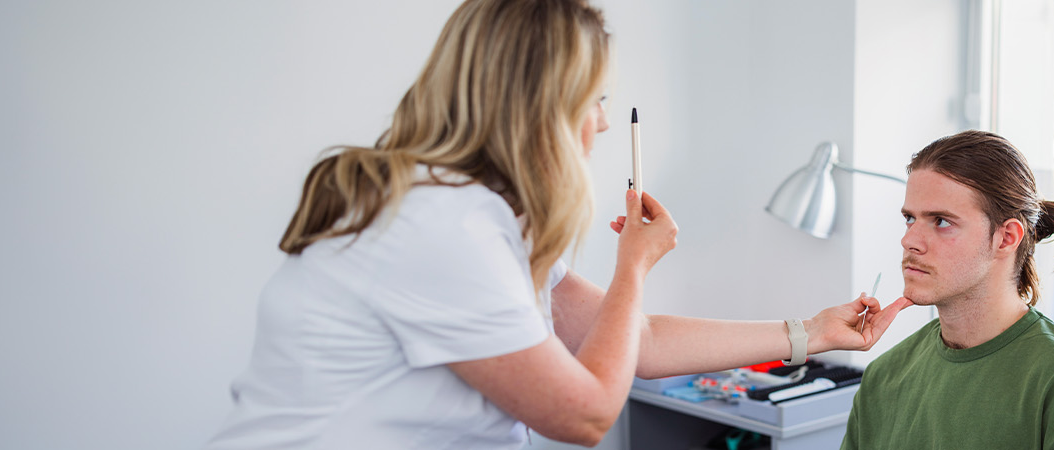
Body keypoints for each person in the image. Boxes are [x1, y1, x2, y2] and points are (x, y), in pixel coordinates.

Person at [204, 1, 911, 448]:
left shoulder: (474, 216)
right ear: (542, 105)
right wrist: (633, 265)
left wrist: (811, 332)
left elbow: (637, 340)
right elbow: (584, 416)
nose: (603, 120)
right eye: (593, 98)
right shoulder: (440, 225)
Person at [840, 130, 1054, 450]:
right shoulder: (884, 376)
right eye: (910, 218)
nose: (909, 241)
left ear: (1006, 238)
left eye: (941, 221)